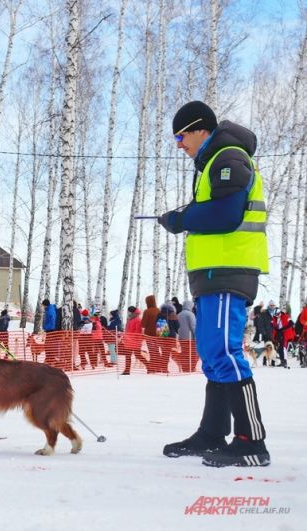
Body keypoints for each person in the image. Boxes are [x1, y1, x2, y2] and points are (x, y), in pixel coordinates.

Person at [158, 100, 270, 466]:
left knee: (225, 353)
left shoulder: (228, 156)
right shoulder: (211, 163)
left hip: (228, 271)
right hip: (211, 274)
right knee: (212, 355)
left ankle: (251, 440)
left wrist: (181, 217)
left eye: (181, 135)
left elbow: (224, 214)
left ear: (200, 129)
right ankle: (212, 433)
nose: (179, 144)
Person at [118, 306, 146, 375]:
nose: (128, 313)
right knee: (127, 355)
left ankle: (149, 366)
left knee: (138, 355)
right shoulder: (130, 319)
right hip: (129, 341)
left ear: (131, 312)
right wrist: (124, 335)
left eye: (129, 311)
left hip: (135, 341)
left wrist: (130, 337)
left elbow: (138, 332)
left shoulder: (137, 319)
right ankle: (127, 370)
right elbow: (128, 330)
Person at [176, 300, 197, 372]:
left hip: (181, 338)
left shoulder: (178, 315)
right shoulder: (190, 314)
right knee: (193, 354)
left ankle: (185, 368)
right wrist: (196, 337)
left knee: (184, 353)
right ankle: (191, 368)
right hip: (190, 338)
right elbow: (193, 326)